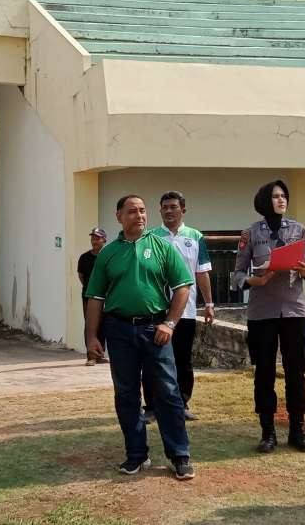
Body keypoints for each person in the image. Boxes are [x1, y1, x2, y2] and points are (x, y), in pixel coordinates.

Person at [84, 194, 197, 480]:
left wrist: (170, 323)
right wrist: (91, 337)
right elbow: (95, 298)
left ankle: (179, 455)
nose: (140, 215)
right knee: (126, 394)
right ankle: (136, 455)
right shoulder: (108, 253)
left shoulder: (161, 246)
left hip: (155, 329)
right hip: (118, 330)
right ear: (119, 216)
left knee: (168, 392)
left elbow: (183, 287)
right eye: (132, 211)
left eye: (143, 211)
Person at [232, 180, 305, 453]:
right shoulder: (250, 233)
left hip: (294, 310)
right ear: (264, 201)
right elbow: (236, 276)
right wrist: (253, 281)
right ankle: (267, 432)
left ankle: (297, 430)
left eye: (284, 196)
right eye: (275, 196)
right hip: (262, 313)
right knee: (264, 373)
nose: (281, 200)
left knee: (297, 372)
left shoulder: (299, 230)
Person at [146, 191, 215, 421]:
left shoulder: (195, 237)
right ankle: (152, 407)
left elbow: (202, 272)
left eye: (173, 207)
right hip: (157, 310)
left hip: (185, 311)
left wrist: (209, 303)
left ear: (183, 210)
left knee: (183, 360)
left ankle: (182, 403)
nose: (168, 211)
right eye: (164, 207)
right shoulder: (151, 236)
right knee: (153, 359)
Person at [78, 227, 109, 366]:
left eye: (97, 238)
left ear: (104, 240)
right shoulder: (84, 257)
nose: (94, 240)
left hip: (108, 297)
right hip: (89, 297)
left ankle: (100, 354)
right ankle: (91, 356)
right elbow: (81, 277)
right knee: (91, 324)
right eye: (93, 237)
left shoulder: (109, 255)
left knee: (104, 325)